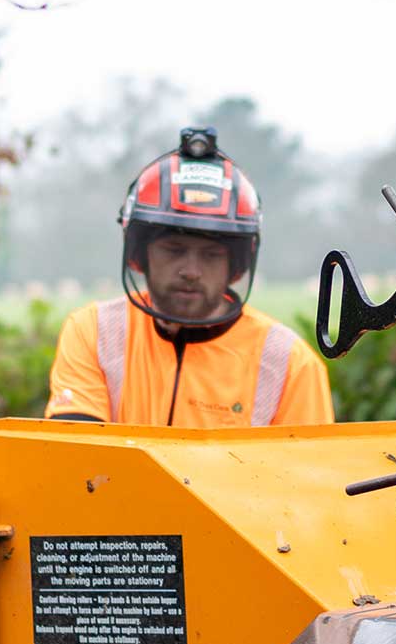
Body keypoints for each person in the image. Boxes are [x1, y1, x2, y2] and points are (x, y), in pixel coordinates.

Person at [46, 126, 334, 427]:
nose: (191, 271)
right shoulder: (95, 332)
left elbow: (302, 472)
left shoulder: (288, 363)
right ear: (141, 255)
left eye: (210, 255)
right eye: (173, 250)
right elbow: (76, 452)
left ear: (235, 265)